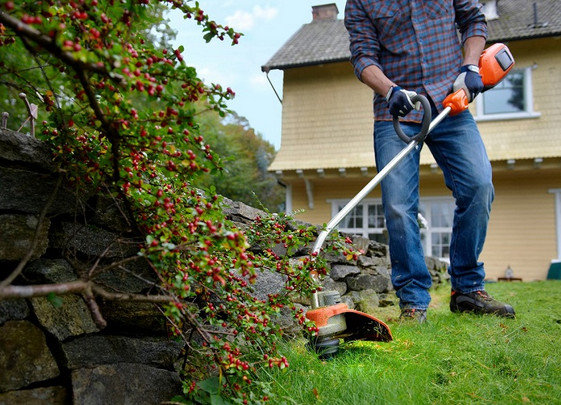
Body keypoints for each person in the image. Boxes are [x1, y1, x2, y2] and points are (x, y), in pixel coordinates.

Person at [344, 0, 515, 322]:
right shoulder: (360, 3)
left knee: (478, 186)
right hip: (397, 111)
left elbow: (473, 21)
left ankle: (466, 289)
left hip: (453, 103)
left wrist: (470, 67)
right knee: (398, 206)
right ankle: (413, 302)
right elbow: (363, 56)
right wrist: (389, 89)